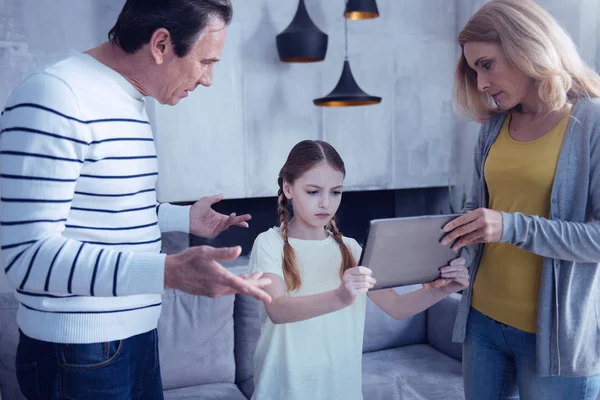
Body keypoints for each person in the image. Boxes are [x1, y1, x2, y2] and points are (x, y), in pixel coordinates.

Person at [0, 1, 271, 399]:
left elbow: (104, 210)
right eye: (206, 61)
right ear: (161, 44)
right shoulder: (55, 96)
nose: (209, 79)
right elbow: (27, 259)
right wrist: (166, 272)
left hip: (134, 341)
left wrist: (182, 220)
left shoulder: (127, 99)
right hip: (78, 355)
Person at [441, 0, 600, 398]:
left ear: (526, 47)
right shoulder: (494, 126)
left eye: (487, 64)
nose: (480, 83)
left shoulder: (591, 122)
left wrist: (509, 226)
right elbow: (481, 210)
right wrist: (453, 246)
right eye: (473, 70)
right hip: (482, 323)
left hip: (554, 341)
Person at [247, 139, 469, 400]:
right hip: (283, 391)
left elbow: (397, 308)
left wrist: (447, 289)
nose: (326, 204)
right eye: (313, 191)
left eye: (336, 192)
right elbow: (277, 309)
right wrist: (340, 297)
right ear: (288, 187)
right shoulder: (268, 244)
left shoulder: (351, 250)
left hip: (341, 391)